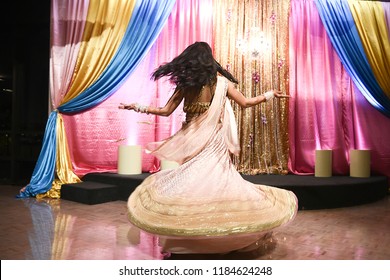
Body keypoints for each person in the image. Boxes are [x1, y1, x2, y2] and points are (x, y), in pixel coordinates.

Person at [119, 41, 297, 255]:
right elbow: (246, 103)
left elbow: (165, 111)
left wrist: (137, 107)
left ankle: (190, 235)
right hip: (213, 140)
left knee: (192, 182)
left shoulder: (186, 85)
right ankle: (220, 232)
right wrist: (269, 95)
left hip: (192, 137)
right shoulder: (222, 84)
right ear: (210, 60)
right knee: (216, 182)